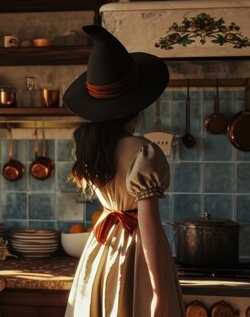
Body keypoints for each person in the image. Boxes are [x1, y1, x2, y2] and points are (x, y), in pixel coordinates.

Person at [62, 25, 184, 317]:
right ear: (137, 104)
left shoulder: (91, 146)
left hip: (102, 252)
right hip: (134, 254)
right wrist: (158, 294)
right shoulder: (144, 150)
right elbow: (148, 223)